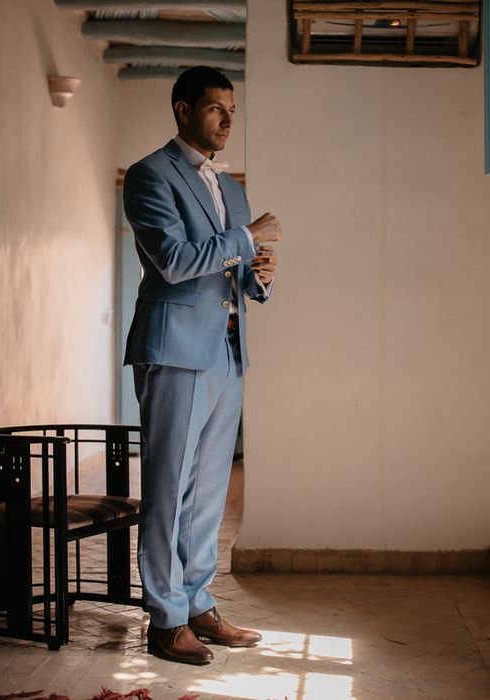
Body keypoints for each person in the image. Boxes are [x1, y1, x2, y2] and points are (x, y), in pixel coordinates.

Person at [123, 66, 281, 665]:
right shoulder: (148, 175)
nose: (227, 120)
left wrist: (258, 278)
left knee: (210, 492)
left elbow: (233, 271)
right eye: (216, 108)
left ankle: (196, 602)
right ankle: (164, 620)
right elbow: (172, 260)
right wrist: (246, 236)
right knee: (169, 488)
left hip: (227, 353)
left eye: (232, 110)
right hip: (175, 351)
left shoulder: (231, 187)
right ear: (183, 110)